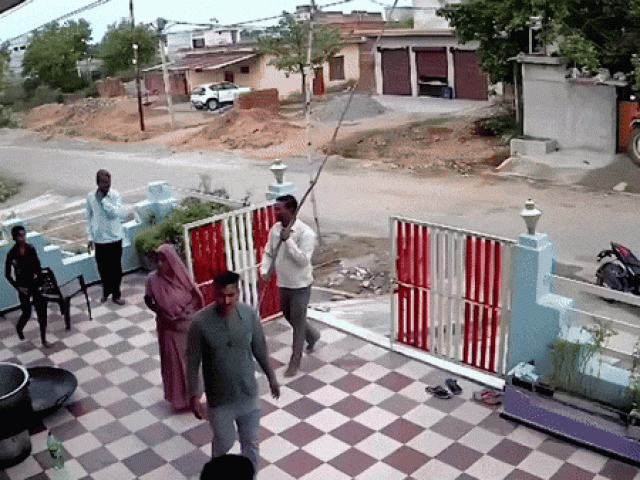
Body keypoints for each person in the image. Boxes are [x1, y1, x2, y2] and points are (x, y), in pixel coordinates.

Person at [187, 270, 280, 473]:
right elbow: (192, 363)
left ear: (238, 293)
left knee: (251, 443)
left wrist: (271, 377)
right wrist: (194, 395)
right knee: (223, 443)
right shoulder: (200, 323)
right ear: (214, 293)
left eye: (231, 295)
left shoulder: (249, 315)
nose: (227, 301)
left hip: (248, 394)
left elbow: (260, 349)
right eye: (221, 295)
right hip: (220, 400)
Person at [260, 195, 320, 377]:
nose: (276, 212)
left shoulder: (306, 233)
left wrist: (288, 241)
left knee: (298, 322)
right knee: (288, 315)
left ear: (291, 210)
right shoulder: (276, 230)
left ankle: (295, 361)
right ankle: (313, 335)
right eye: (275, 209)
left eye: (279, 209)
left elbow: (302, 261)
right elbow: (269, 252)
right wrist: (265, 270)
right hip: (284, 283)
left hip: (300, 285)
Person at [144, 243, 204, 411]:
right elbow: (148, 299)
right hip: (168, 329)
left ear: (172, 261)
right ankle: (179, 400)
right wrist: (159, 312)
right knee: (174, 365)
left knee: (190, 363)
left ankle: (195, 397)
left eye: (163, 260)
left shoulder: (182, 277)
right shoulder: (152, 280)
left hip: (186, 328)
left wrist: (185, 312)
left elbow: (196, 297)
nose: (160, 264)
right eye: (157, 260)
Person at [4, 225, 50, 347]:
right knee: (27, 312)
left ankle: (44, 340)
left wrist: (41, 283)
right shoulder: (12, 254)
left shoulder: (30, 248)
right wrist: (18, 287)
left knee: (41, 313)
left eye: (24, 235)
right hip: (22, 286)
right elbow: (7, 274)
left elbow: (38, 266)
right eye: (20, 236)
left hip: (34, 284)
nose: (23, 238)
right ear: (15, 237)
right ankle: (19, 328)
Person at [86, 169, 127, 305]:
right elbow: (89, 217)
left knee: (116, 269)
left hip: (114, 238)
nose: (107, 186)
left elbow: (115, 214)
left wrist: (103, 201)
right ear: (97, 183)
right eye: (104, 183)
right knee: (102, 269)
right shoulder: (90, 197)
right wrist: (90, 237)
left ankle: (116, 294)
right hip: (99, 239)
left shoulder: (115, 195)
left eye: (108, 183)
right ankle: (106, 291)